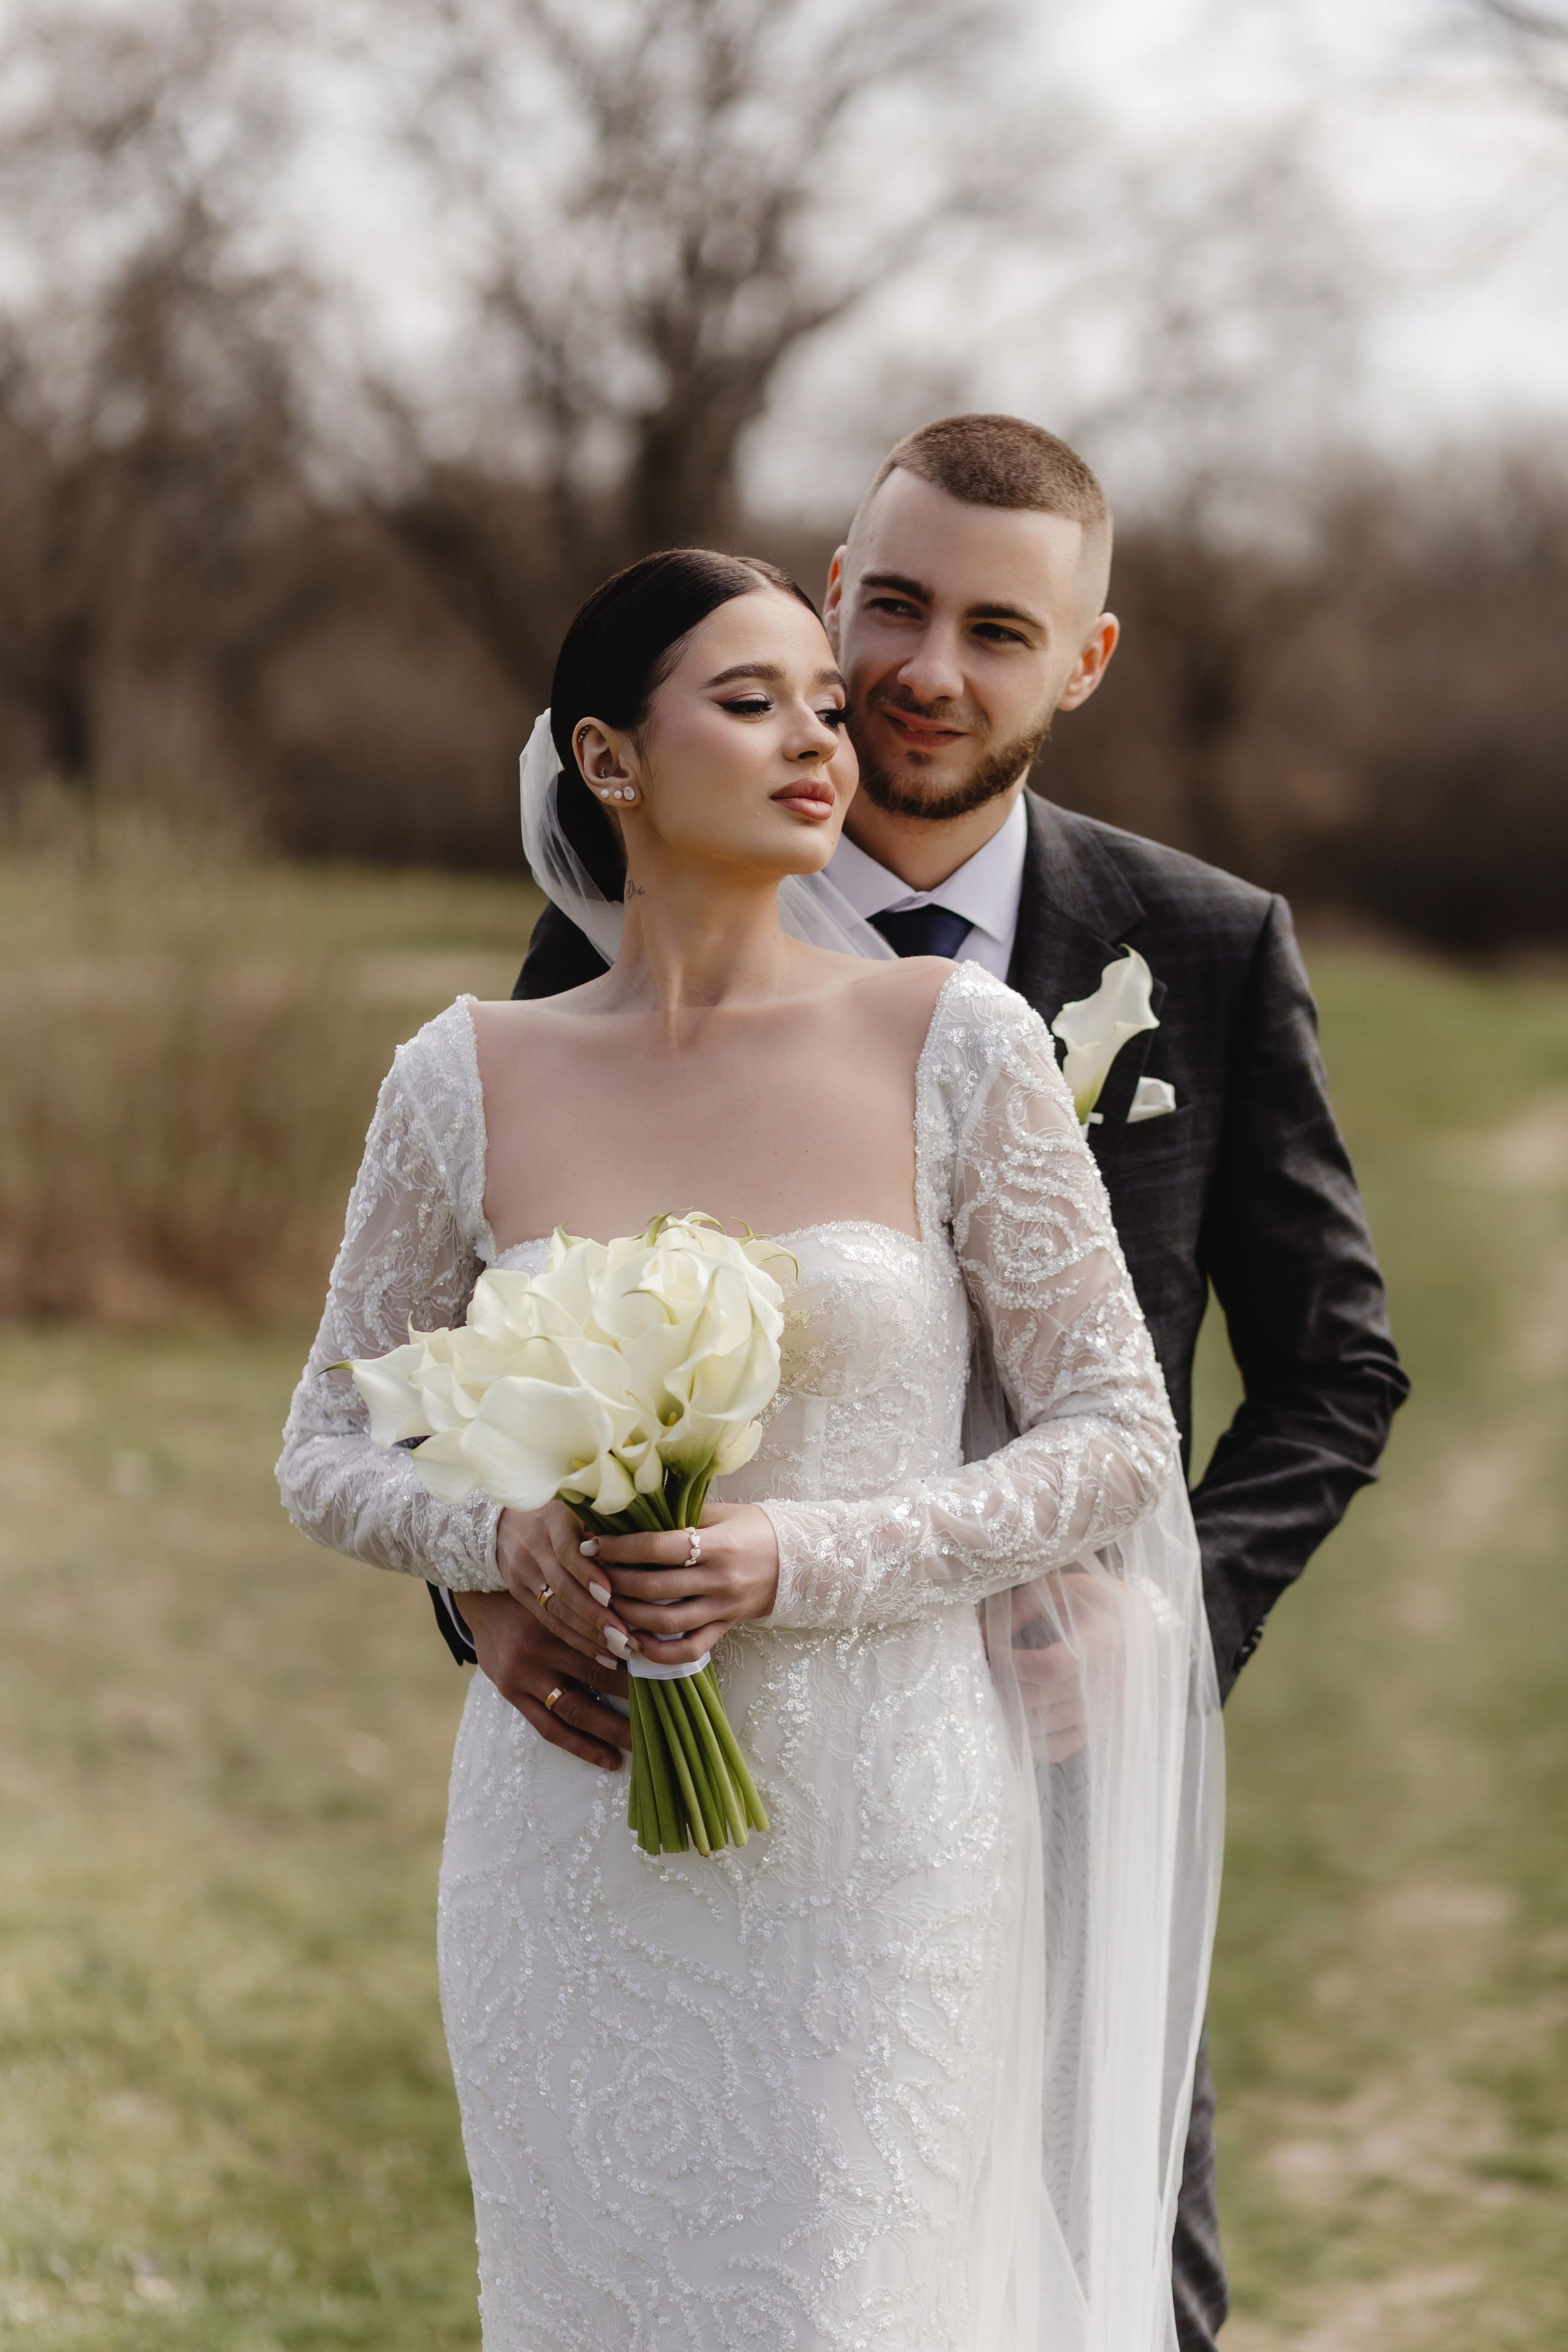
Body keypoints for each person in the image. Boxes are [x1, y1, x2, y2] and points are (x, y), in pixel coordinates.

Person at [429, 416, 1411, 2348]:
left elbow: (1334, 1370)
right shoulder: (629, 910)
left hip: (1043, 1770)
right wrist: (479, 1580)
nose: (926, 673)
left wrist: (1167, 1615)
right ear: (826, 592)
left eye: (996, 628)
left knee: (1119, 2278)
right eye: (889, 606)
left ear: (1087, 661)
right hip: (706, 1760)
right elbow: (488, 1330)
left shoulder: (1204, 950)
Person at [278, 543, 1224, 2350]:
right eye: (749, 701)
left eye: (820, 699)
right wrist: (507, 1545)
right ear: (609, 759)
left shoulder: (957, 1043)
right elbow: (329, 1445)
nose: (821, 739)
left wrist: (798, 1558)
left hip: (883, 1838)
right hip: (571, 1839)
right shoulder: (460, 1075)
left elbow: (1117, 1433)